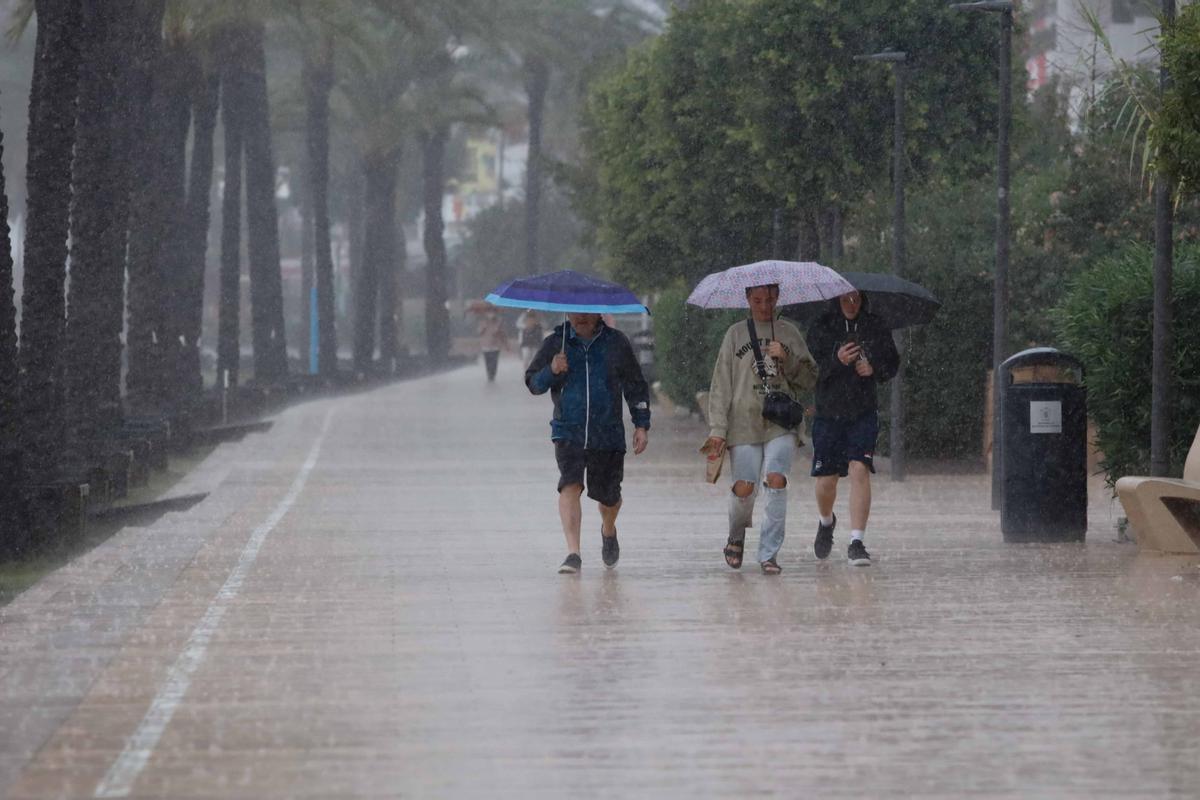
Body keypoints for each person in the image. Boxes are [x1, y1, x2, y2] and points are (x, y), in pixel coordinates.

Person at [705, 284, 817, 574]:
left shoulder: (789, 332)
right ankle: (736, 534)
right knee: (745, 488)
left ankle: (769, 553)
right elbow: (720, 385)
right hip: (743, 422)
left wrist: (787, 358)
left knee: (776, 479)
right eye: (757, 300)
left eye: (769, 299)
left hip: (781, 422)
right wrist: (718, 429)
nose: (764, 306)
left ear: (777, 297)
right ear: (747, 299)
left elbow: (809, 379)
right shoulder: (734, 334)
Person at [525, 313, 650, 574]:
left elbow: (635, 385)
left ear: (598, 313)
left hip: (607, 433)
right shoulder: (555, 343)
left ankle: (608, 529)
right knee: (569, 484)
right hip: (568, 430)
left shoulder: (616, 342)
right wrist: (552, 370)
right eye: (575, 313)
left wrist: (641, 424)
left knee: (609, 498)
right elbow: (534, 384)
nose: (580, 318)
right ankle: (573, 552)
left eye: (586, 313)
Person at [805, 290, 899, 566]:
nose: (852, 304)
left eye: (857, 298)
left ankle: (857, 541)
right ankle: (826, 522)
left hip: (863, 412)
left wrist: (874, 368)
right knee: (826, 481)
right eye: (846, 298)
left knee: (860, 468)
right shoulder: (822, 326)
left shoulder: (875, 325)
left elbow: (892, 363)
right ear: (837, 299)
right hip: (828, 413)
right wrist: (837, 360)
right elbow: (809, 370)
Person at [477, 308, 509, 382]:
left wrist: (505, 344)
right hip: (486, 345)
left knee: (494, 362)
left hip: (496, 345)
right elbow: (479, 332)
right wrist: (483, 327)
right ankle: (489, 375)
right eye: (489, 312)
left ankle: (493, 375)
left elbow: (503, 334)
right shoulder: (482, 321)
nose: (491, 314)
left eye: (492, 312)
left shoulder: (498, 322)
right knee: (488, 361)